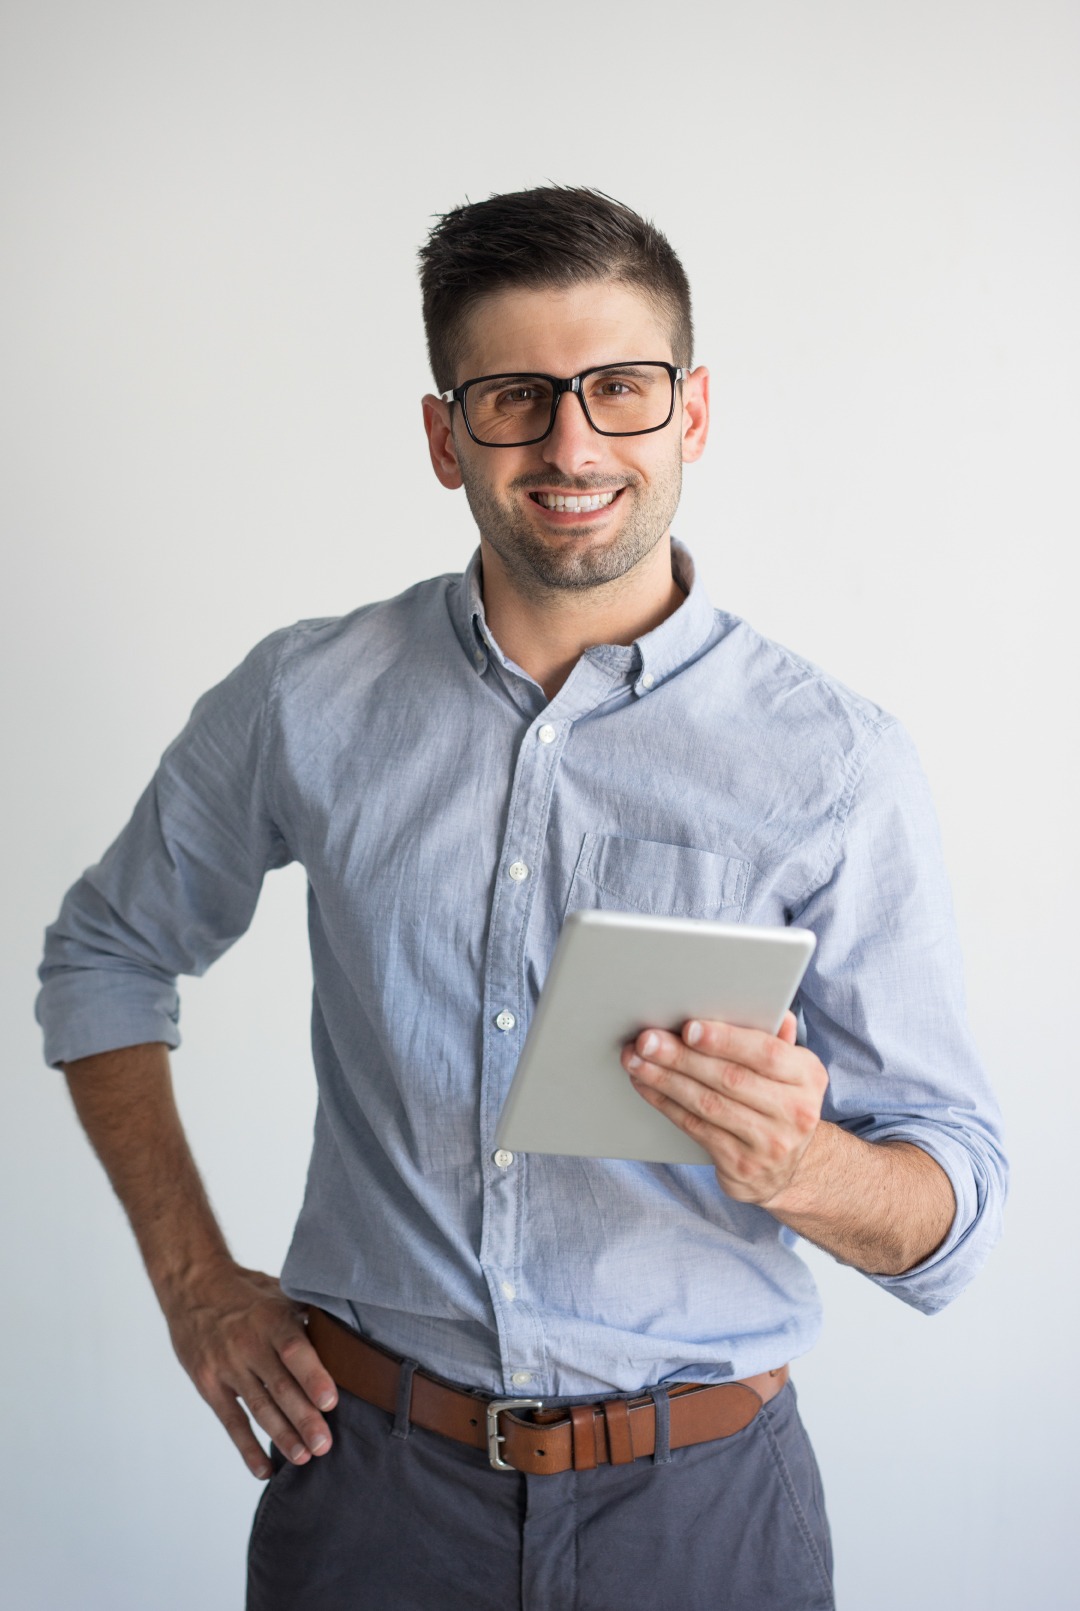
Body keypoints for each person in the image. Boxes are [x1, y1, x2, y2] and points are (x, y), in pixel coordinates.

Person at [37, 185, 1006, 1611]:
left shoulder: (836, 763)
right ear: (444, 435)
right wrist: (193, 1277)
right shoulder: (306, 698)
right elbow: (105, 955)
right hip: (367, 1492)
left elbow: (953, 1210)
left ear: (691, 412)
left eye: (619, 389)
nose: (572, 445)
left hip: (704, 1515)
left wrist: (797, 1164)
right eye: (514, 397)